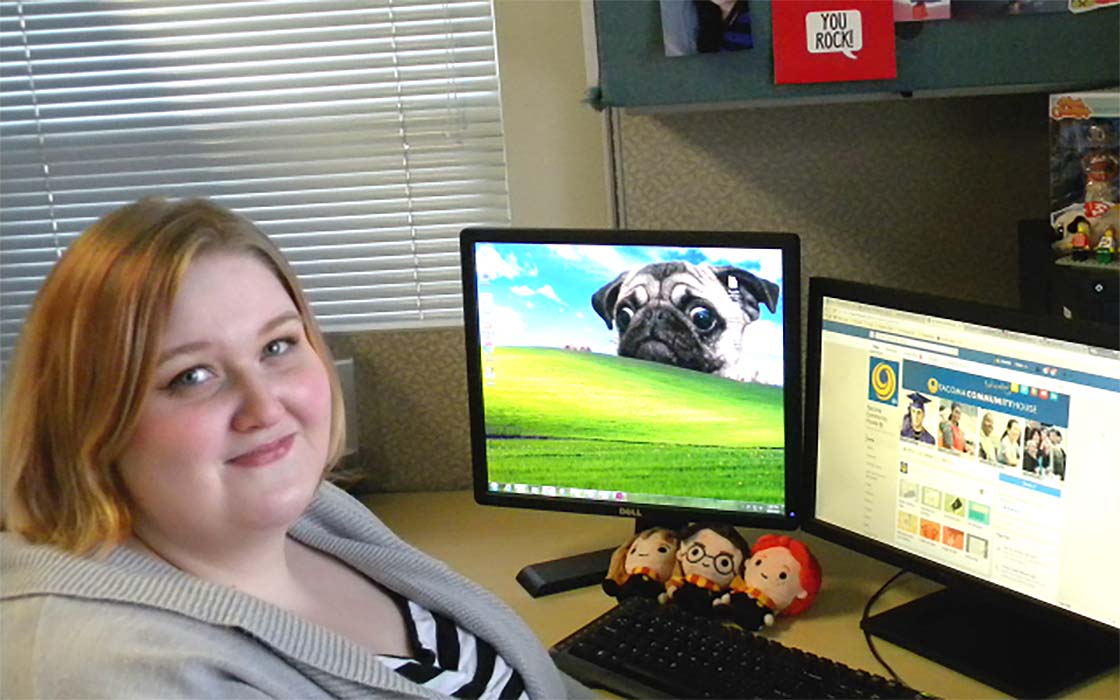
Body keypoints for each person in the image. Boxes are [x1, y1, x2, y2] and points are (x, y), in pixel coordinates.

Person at [0, 197, 590, 699]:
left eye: (278, 346)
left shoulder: (312, 515)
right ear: (89, 419)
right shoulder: (106, 672)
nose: (265, 408)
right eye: (191, 376)